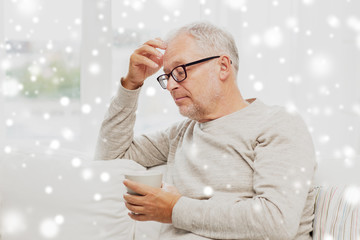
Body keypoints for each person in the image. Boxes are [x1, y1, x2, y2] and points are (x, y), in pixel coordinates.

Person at [95, 22, 317, 240]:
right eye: (167, 75)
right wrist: (131, 84)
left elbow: (276, 222)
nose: (171, 85)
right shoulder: (180, 134)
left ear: (222, 67)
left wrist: (174, 209)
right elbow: (112, 155)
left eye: (180, 71)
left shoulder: (277, 123)